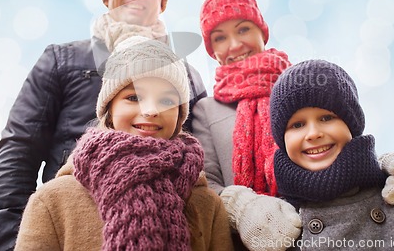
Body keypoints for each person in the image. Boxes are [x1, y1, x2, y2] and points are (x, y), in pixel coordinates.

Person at [191, 0, 394, 251]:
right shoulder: (206, 110)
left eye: (243, 29)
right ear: (211, 48)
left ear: (261, 30)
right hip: (249, 240)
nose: (234, 44)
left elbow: (344, 144)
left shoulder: (300, 85)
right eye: (220, 37)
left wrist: (393, 170)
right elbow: (207, 184)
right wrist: (244, 208)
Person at [0, 0, 207, 251]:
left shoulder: (187, 76)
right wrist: (16, 242)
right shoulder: (63, 59)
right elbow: (18, 150)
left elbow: (202, 163)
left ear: (161, 2)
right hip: (73, 228)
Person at [14, 36, 233, 251]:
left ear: (179, 116)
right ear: (110, 110)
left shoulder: (207, 204)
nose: (151, 111)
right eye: (134, 98)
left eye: (167, 100)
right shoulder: (53, 201)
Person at [270, 59, 394, 251]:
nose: (313, 133)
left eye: (326, 118)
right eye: (297, 125)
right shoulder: (275, 223)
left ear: (352, 125)